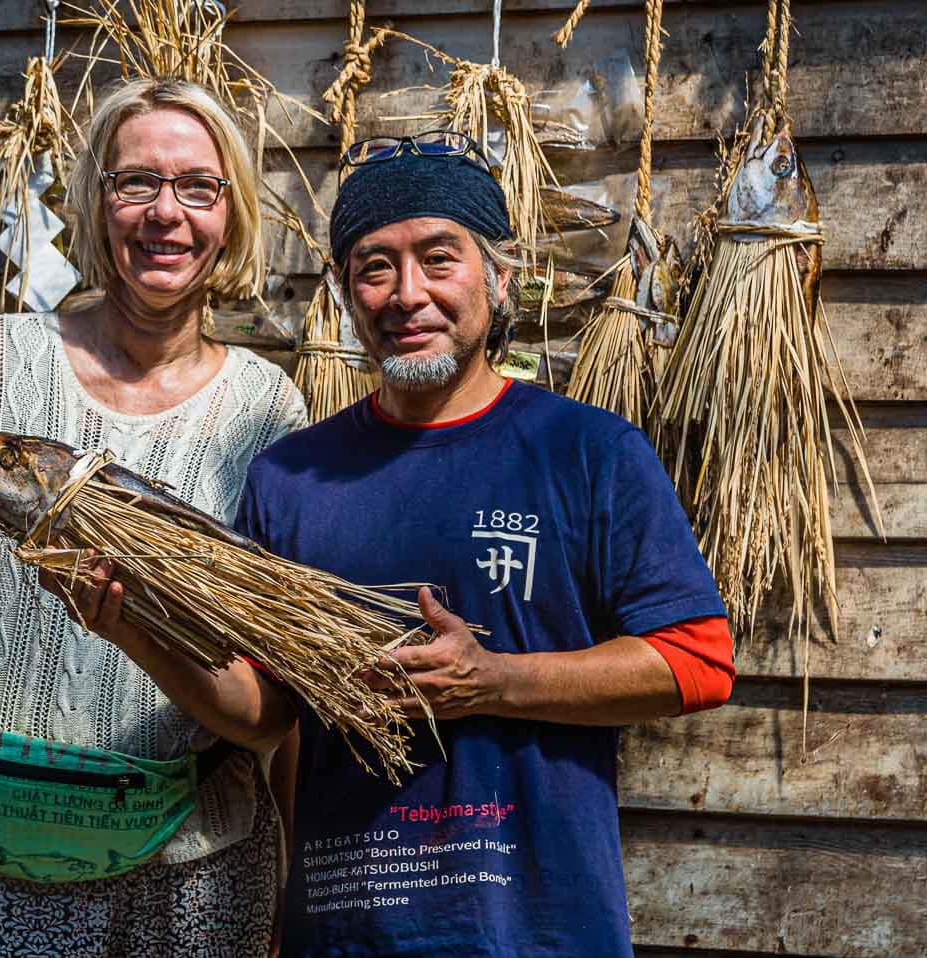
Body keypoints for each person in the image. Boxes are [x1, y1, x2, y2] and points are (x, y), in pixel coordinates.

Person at [232, 132, 736, 956]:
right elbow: (274, 715)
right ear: (344, 292)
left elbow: (698, 662)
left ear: (500, 278)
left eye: (439, 258)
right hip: (346, 928)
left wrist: (493, 681)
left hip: (537, 932)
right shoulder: (289, 480)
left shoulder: (589, 453)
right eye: (374, 266)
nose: (407, 295)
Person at [0, 77, 303, 956]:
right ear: (98, 204)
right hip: (3, 855)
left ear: (232, 213)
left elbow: (270, 700)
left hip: (196, 867)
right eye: (135, 182)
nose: (163, 213)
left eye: (197, 187)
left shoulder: (267, 410)